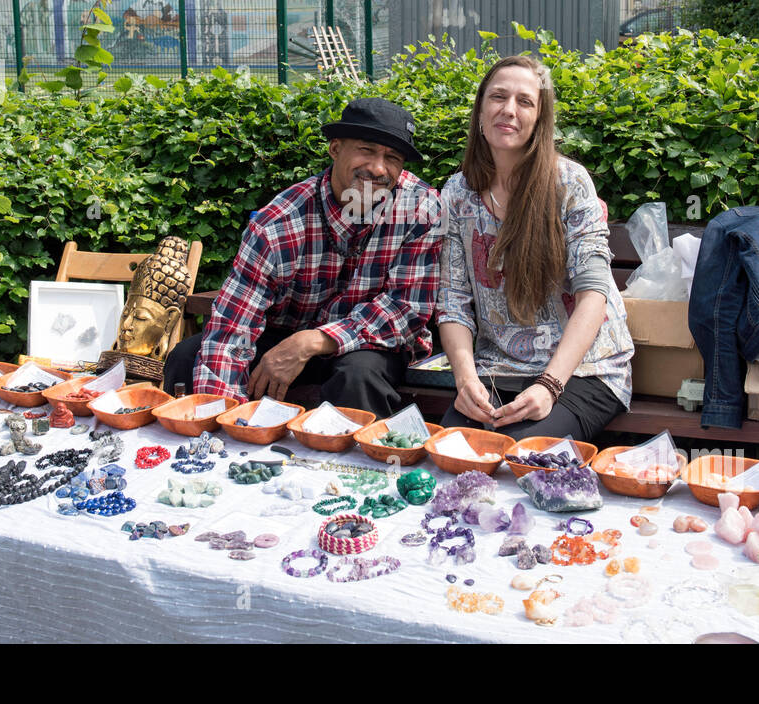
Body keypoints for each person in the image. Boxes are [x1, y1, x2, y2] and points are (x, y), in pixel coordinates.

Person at [162, 97, 441, 417]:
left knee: (358, 376)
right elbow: (232, 325)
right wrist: (221, 419)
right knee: (187, 356)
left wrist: (313, 341)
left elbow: (406, 311)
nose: (378, 168)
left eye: (392, 157)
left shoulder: (421, 210)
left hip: (372, 344)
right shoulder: (277, 223)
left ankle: (359, 465)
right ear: (335, 148)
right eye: (366, 150)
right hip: (282, 336)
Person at [436, 55, 634, 443]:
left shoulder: (570, 184)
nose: (508, 110)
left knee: (521, 457)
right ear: (480, 111)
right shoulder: (457, 193)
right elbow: (453, 300)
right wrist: (465, 379)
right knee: (450, 454)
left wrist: (549, 385)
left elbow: (594, 294)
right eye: (497, 97)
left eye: (524, 101)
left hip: (583, 370)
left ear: (539, 118)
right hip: (498, 367)